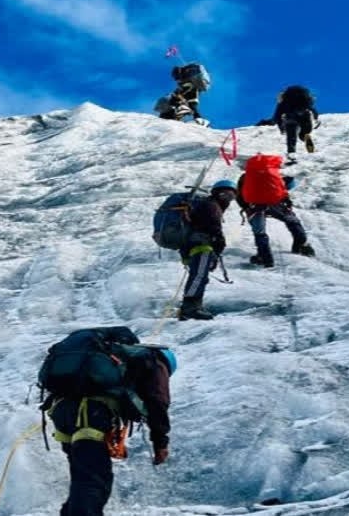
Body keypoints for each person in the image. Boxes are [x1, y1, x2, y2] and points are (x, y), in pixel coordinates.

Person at [45, 332, 176, 516]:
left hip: (63, 414)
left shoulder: (110, 358)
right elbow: (158, 402)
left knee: (83, 480)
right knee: (95, 481)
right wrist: (160, 443)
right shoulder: (155, 363)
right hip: (91, 415)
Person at [236, 155, 315, 268]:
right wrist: (286, 201)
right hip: (276, 203)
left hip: (255, 206)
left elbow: (240, 195)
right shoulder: (274, 174)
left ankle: (265, 258)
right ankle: (301, 245)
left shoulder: (246, 177)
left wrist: (246, 207)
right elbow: (283, 187)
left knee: (260, 232)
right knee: (292, 221)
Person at [178, 179, 238, 320]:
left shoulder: (209, 204)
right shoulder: (211, 206)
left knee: (199, 275)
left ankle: (193, 306)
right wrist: (219, 247)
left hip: (195, 244)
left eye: (231, 196)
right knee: (199, 276)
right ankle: (190, 308)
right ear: (216, 193)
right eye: (225, 195)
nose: (228, 199)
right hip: (201, 245)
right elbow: (214, 229)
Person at [272, 85, 319, 159]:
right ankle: (309, 146)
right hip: (304, 115)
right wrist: (316, 118)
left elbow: (277, 116)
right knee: (305, 134)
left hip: (290, 118)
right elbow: (312, 109)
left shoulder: (284, 102)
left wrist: (281, 128)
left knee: (291, 138)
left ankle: (292, 154)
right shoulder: (303, 99)